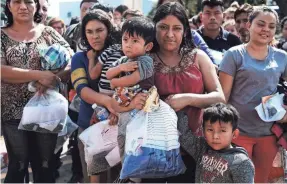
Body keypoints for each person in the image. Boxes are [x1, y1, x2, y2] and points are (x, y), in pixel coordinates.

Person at [142, 2, 225, 182]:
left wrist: (187, 99)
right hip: (154, 149)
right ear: (153, 28)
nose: (170, 34)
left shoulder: (198, 57)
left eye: (176, 28)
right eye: (163, 27)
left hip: (194, 149)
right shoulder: (144, 61)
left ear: (185, 31)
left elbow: (219, 97)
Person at [1, 0, 73, 183]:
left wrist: (53, 78)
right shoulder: (1, 36)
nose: (23, 6)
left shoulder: (48, 32)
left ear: (36, 5)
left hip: (46, 112)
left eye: (28, 1)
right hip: (12, 113)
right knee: (18, 166)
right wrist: (39, 74)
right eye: (17, 1)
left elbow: (73, 60)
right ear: (9, 6)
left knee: (45, 166)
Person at [219, 6, 287, 183]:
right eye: (261, 24)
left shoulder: (282, 57)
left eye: (271, 26)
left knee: (262, 181)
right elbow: (222, 97)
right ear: (249, 25)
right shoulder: (234, 55)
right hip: (238, 132)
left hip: (269, 135)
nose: (266, 29)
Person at [178, 103, 255, 183]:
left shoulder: (241, 163)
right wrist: (179, 111)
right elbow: (184, 137)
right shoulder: (202, 148)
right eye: (210, 130)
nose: (215, 136)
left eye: (222, 130)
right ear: (203, 131)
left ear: (234, 134)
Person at [106, 17, 155, 111]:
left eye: (135, 41)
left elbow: (132, 80)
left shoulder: (146, 61)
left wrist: (114, 82)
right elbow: (108, 74)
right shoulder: (124, 60)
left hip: (143, 102)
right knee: (113, 103)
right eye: (125, 39)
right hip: (127, 100)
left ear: (148, 46)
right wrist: (120, 68)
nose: (128, 44)